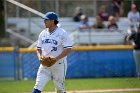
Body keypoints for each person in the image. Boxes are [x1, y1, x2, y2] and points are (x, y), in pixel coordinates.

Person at [32, 12, 73, 93]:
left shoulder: (62, 33)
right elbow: (38, 48)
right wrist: (40, 57)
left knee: (59, 89)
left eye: (46, 20)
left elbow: (68, 49)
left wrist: (56, 58)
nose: (44, 21)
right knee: (38, 85)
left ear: (52, 21)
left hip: (59, 64)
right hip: (45, 64)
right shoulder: (43, 33)